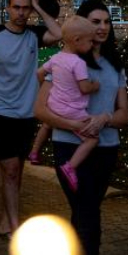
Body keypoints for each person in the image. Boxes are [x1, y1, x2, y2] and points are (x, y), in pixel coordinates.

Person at [34, 0, 128, 255]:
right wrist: (75, 125)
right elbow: (40, 110)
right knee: (90, 222)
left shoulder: (115, 67)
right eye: (95, 21)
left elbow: (123, 114)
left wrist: (103, 118)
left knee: (82, 217)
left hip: (105, 150)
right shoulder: (66, 61)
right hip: (68, 151)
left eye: (106, 21)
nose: (102, 27)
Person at [0, 0, 62, 237]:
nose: (21, 13)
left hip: (26, 113)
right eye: (17, 7)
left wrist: (38, 5)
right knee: (10, 170)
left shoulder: (34, 35)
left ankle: (5, 220)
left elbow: (59, 33)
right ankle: (14, 226)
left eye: (25, 8)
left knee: (16, 170)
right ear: (8, 8)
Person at [36, 16, 100, 191]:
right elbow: (84, 87)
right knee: (92, 139)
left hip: (54, 105)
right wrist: (95, 86)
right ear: (77, 40)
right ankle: (70, 166)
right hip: (72, 110)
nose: (92, 45)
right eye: (89, 41)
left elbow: (39, 73)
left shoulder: (56, 58)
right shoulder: (78, 62)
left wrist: (49, 86)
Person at [28, 0, 63, 165]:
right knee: (47, 121)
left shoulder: (42, 33)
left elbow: (58, 33)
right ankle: (34, 151)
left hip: (49, 83)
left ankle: (34, 151)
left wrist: (37, 7)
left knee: (48, 122)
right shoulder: (33, 33)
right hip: (41, 84)